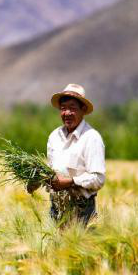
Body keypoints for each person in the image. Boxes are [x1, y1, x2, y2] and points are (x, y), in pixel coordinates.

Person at [27, 84, 105, 226]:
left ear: (83, 110)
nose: (67, 113)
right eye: (63, 108)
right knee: (53, 247)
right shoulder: (54, 136)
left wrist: (70, 181)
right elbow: (52, 171)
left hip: (82, 212)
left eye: (72, 108)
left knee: (79, 247)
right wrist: (37, 179)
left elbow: (98, 178)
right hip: (56, 209)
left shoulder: (91, 138)